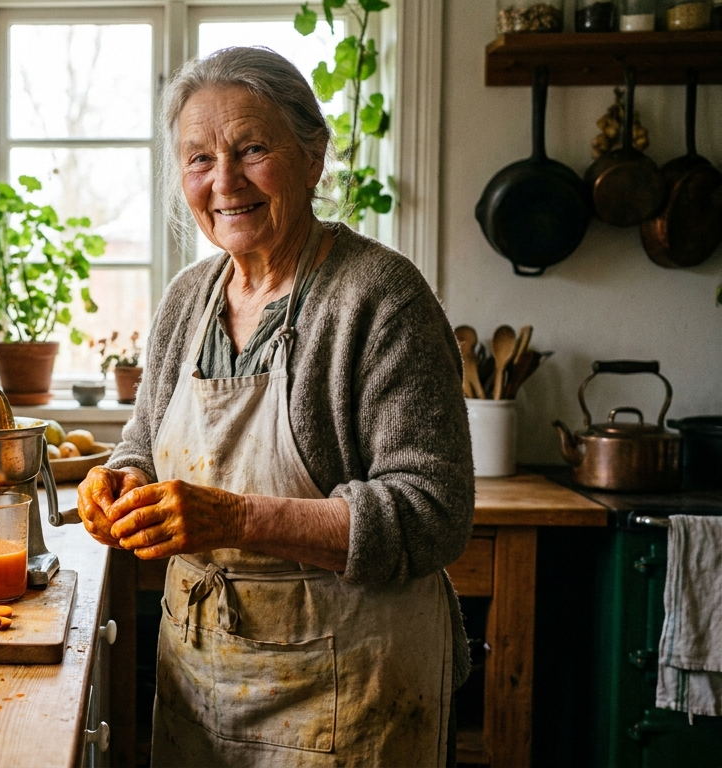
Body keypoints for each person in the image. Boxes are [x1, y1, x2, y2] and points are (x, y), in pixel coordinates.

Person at [77, 46, 474, 766]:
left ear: (312, 154)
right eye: (198, 160)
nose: (224, 181)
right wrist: (122, 480)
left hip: (350, 694)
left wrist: (234, 519)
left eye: (251, 149)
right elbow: (141, 441)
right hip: (202, 679)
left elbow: (433, 511)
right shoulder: (185, 301)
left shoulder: (380, 297)